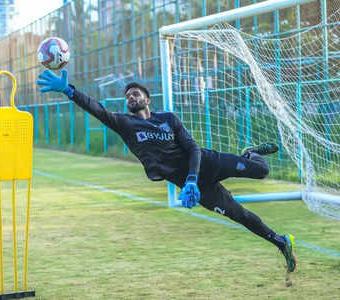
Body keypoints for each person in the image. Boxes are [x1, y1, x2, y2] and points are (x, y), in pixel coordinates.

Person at [37, 69, 297, 274]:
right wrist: (69, 91)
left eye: (135, 93)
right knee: (239, 215)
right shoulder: (124, 123)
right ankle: (281, 242)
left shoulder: (168, 119)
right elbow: (95, 108)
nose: (130, 96)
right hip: (193, 185)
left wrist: (193, 179)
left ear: (147, 100)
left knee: (261, 171)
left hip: (206, 163)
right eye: (127, 95)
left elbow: (193, 148)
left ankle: (249, 153)